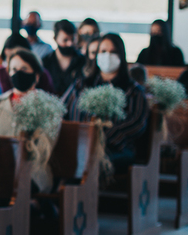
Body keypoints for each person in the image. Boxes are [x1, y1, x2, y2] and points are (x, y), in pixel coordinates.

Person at [63, 33, 149, 171]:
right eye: (103, 51)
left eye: (113, 52)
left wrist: (104, 134)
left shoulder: (133, 90)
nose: (107, 56)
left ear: (121, 55)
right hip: (80, 144)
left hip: (117, 148)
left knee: (92, 161)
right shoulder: (81, 85)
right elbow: (63, 108)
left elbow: (137, 123)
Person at [0, 48, 62, 192]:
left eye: (24, 69)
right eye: (14, 69)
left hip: (32, 173)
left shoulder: (49, 106)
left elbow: (43, 149)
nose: (18, 73)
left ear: (36, 76)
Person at [42, 19, 86, 95]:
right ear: (55, 38)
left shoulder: (83, 61)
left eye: (72, 39)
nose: (70, 44)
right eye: (65, 40)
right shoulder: (45, 62)